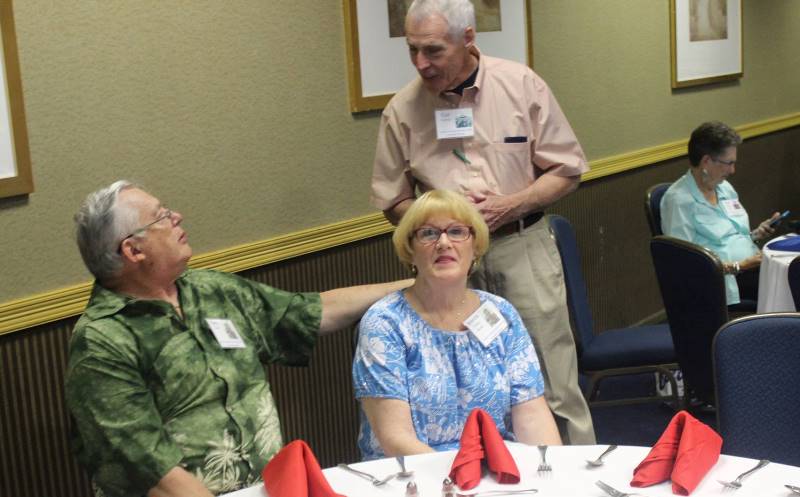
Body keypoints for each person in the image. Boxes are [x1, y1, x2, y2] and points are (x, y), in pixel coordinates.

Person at [65, 180, 410, 497]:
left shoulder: (209, 290)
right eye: (161, 216)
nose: (177, 217)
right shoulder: (101, 342)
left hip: (271, 488)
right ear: (133, 251)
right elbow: (154, 474)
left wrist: (414, 286)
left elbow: (310, 311)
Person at [369, 0, 594, 444]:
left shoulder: (520, 85)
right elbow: (392, 200)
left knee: (552, 384)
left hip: (520, 246)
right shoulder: (402, 110)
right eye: (412, 50)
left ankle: (572, 473)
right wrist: (441, 227)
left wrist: (511, 205)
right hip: (446, 264)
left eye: (433, 50)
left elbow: (567, 170)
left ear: (468, 38)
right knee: (463, 391)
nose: (421, 63)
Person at [353, 190, 561, 460]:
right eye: (428, 233)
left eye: (457, 232)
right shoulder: (385, 323)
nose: (443, 243)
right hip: (415, 472)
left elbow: (532, 415)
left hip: (495, 467)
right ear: (410, 250)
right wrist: (459, 477)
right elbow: (396, 439)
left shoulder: (500, 313)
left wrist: (550, 470)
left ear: (475, 247)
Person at [660, 121, 779, 306]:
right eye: (729, 163)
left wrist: (756, 234)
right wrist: (739, 266)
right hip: (723, 282)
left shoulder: (724, 188)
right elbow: (685, 263)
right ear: (706, 161)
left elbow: (729, 237)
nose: (733, 170)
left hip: (751, 267)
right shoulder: (678, 201)